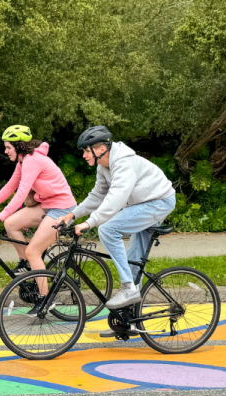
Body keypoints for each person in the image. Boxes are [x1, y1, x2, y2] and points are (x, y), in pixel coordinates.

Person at [58, 125, 176, 318]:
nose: (84, 155)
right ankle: (127, 319)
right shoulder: (104, 166)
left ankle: (129, 288)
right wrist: (73, 215)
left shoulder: (123, 164)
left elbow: (115, 199)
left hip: (159, 202)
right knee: (132, 264)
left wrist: (90, 222)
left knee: (108, 229)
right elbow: (97, 196)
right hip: (141, 204)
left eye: (87, 151)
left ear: (102, 149)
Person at [0, 125, 77, 316]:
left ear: (19, 146)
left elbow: (21, 192)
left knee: (34, 250)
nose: (5, 151)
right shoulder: (23, 162)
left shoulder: (33, 161)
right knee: (11, 224)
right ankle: (26, 263)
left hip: (62, 209)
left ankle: (44, 299)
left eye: (8, 147)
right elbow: (9, 188)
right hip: (47, 205)